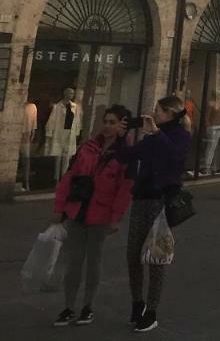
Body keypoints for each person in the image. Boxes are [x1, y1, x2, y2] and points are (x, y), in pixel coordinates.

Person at [52, 104, 134, 327]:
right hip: (77, 210)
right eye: (105, 121)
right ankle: (68, 307)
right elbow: (70, 176)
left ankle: (88, 306)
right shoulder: (88, 147)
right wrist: (60, 207)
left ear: (123, 125)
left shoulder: (125, 154)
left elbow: (124, 188)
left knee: (94, 261)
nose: (107, 126)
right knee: (73, 261)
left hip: (101, 213)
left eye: (112, 122)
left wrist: (116, 217)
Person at [115, 96, 191, 334]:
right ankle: (137, 303)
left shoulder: (179, 136)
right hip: (141, 199)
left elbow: (176, 158)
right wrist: (119, 136)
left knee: (155, 258)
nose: (153, 113)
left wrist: (156, 133)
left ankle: (152, 311)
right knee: (133, 255)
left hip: (161, 201)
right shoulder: (152, 137)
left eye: (157, 110)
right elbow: (129, 155)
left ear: (170, 113)